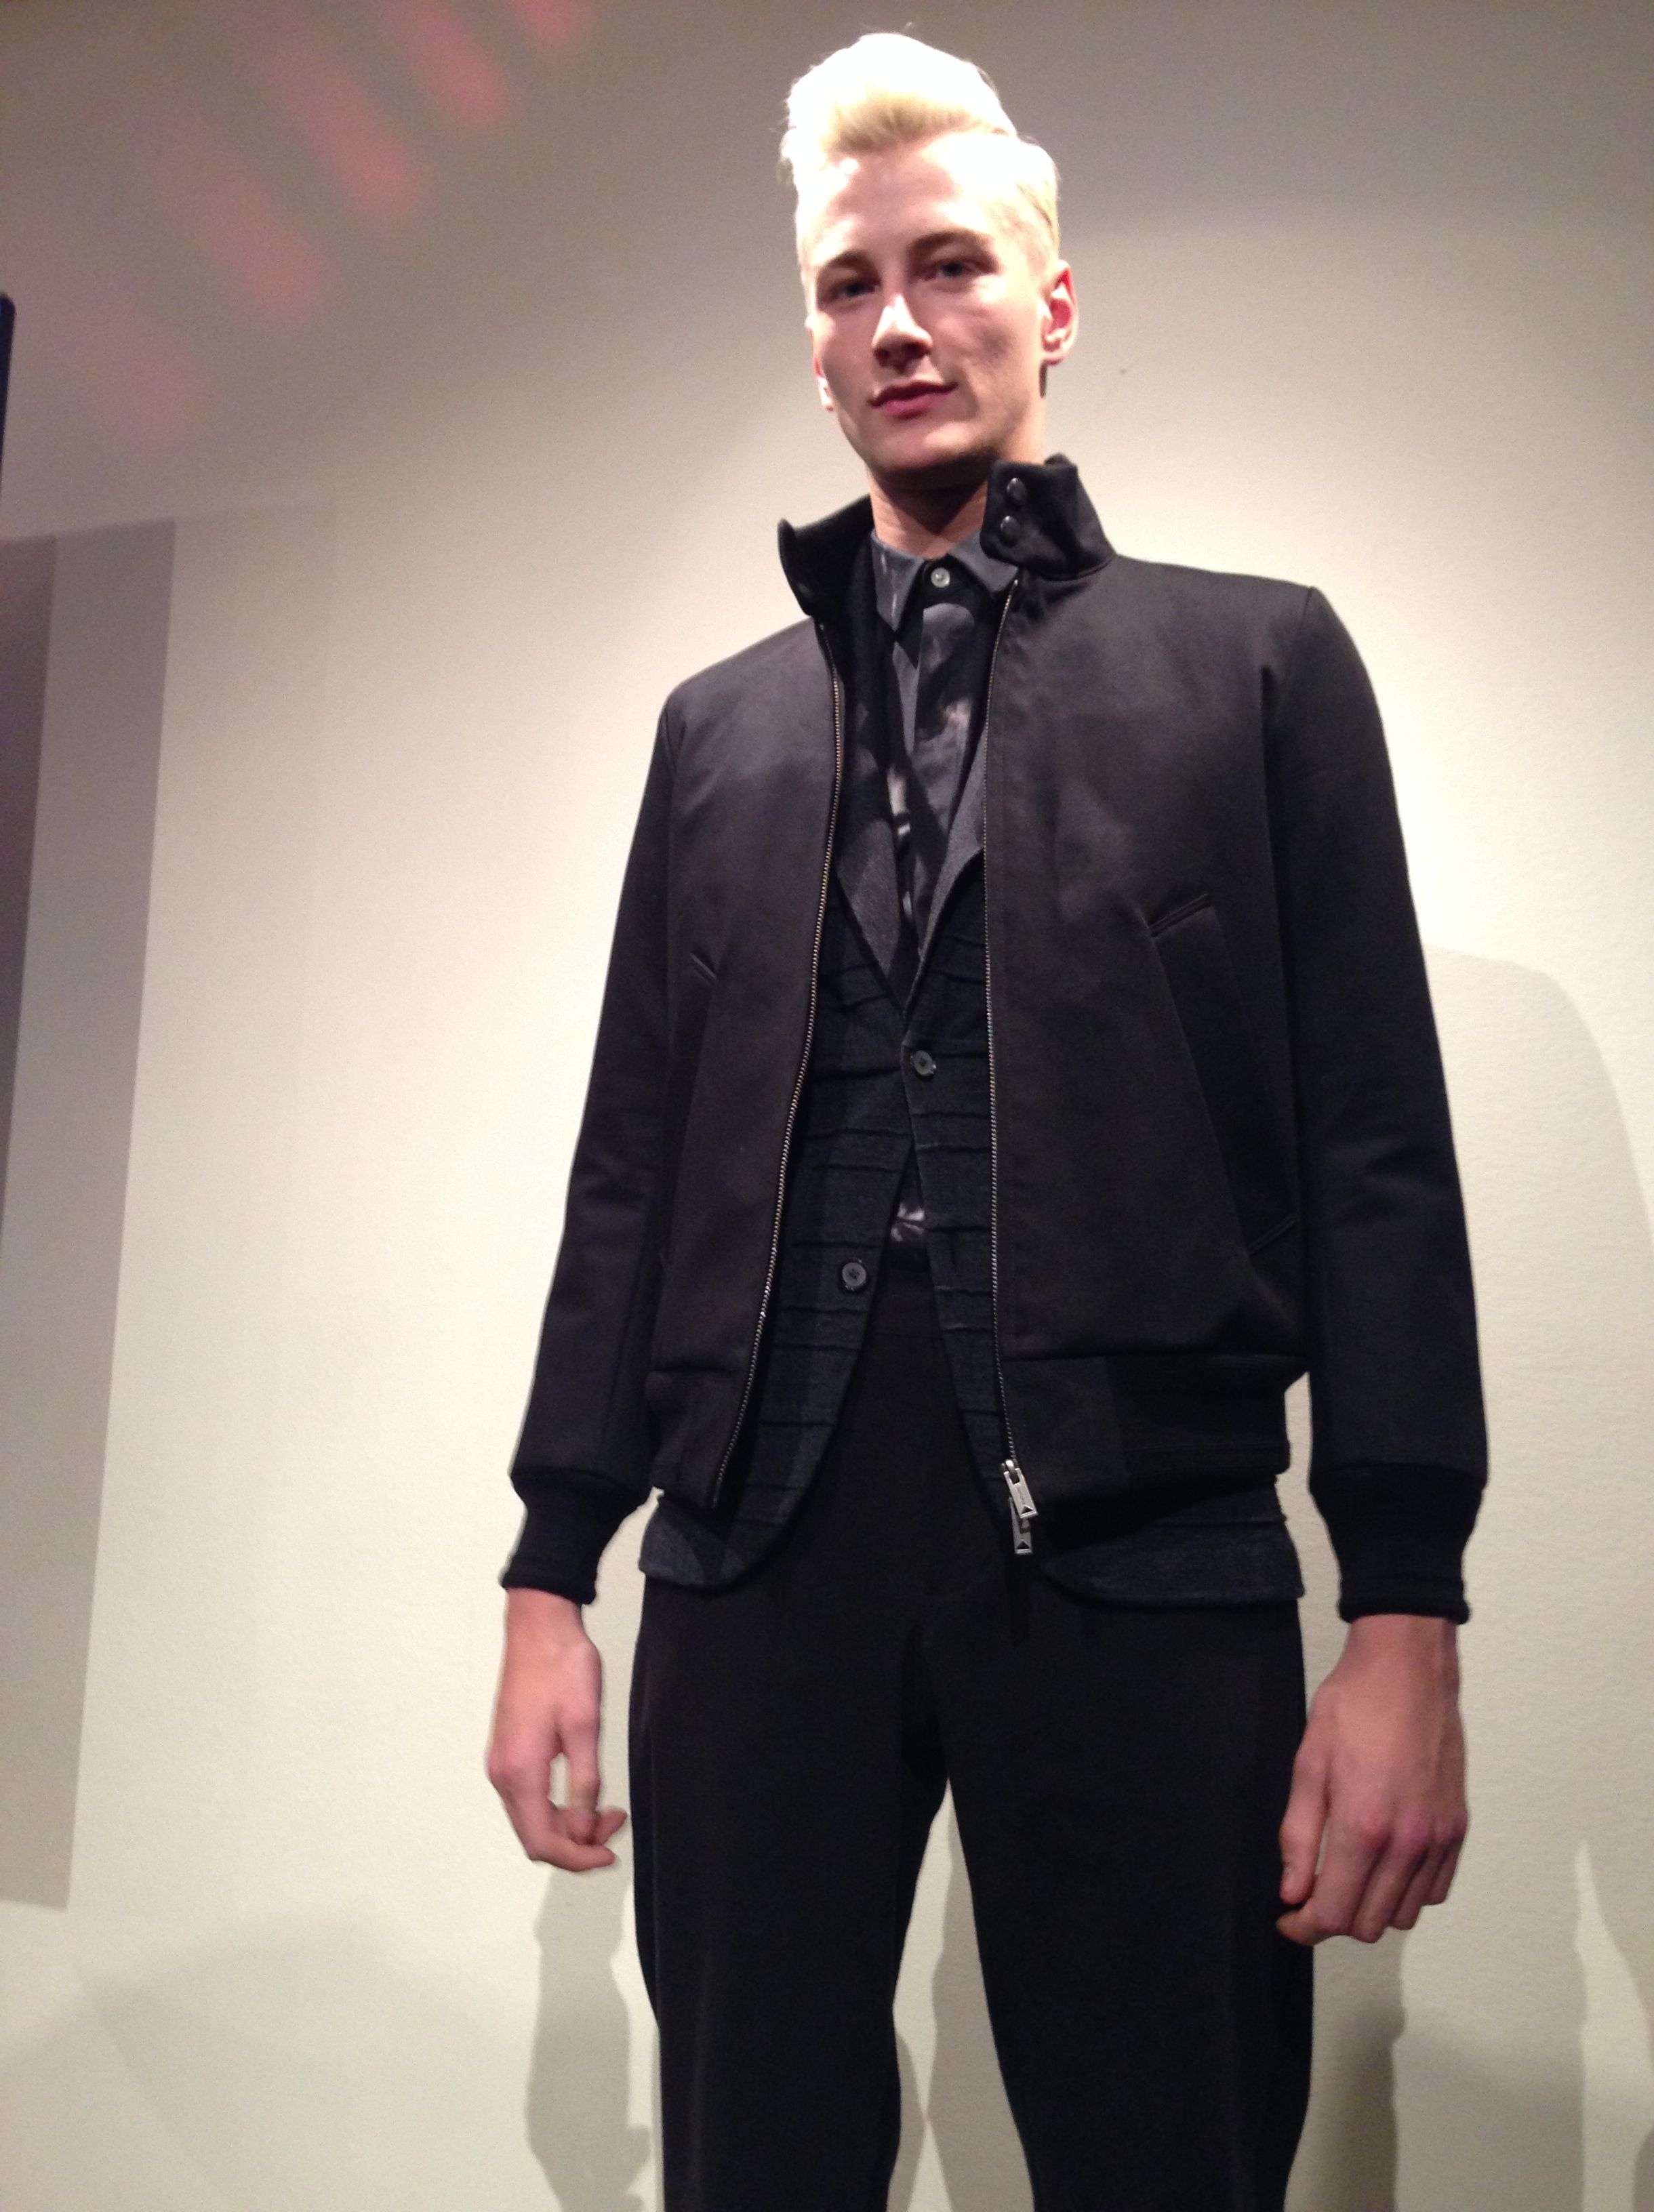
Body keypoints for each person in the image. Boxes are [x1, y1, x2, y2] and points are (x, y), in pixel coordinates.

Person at [487, 32, 1486, 2211]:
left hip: (1142, 1548)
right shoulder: (723, 734)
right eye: (851, 286)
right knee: (754, 2164)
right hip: (757, 1554)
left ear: (1052, 301)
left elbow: (1376, 1152)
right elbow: (632, 1165)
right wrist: (554, 1566)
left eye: (948, 267)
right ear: (814, 346)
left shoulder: (1256, 669)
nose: (900, 323)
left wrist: (1405, 1607)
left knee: (1165, 2161)